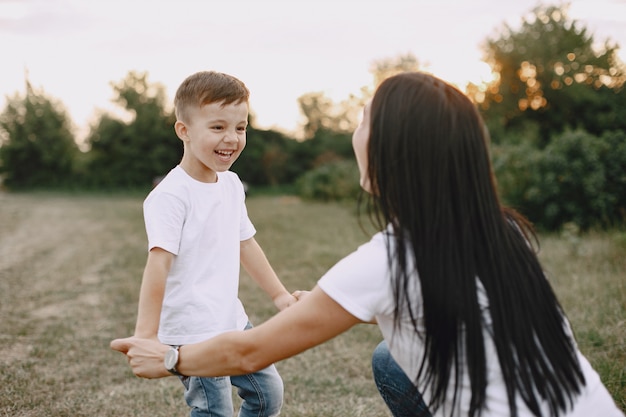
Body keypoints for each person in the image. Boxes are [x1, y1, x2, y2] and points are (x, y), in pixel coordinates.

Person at [112, 72, 624, 417]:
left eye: (362, 120)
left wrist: (172, 359)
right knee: (390, 358)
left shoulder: (387, 262)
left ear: (390, 149)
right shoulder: (505, 228)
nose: (353, 132)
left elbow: (248, 352)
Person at [131, 70, 298, 417]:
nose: (232, 138)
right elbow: (158, 265)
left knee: (268, 395)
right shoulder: (170, 196)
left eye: (240, 127)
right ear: (185, 131)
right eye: (218, 127)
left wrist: (280, 295)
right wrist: (146, 336)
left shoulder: (232, 184)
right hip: (192, 331)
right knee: (214, 410)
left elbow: (246, 243)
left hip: (232, 320)